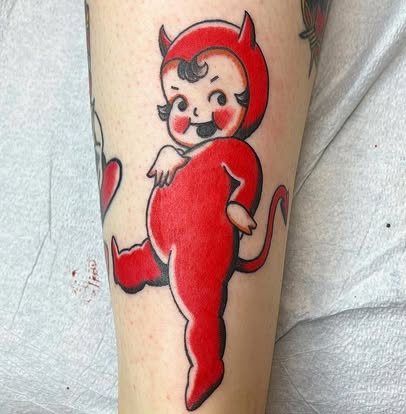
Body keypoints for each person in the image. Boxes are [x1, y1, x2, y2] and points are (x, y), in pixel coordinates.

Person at [85, 1, 330, 412]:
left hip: (202, 248)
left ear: (248, 101)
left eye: (217, 96)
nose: (198, 112)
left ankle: (208, 365)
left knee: (199, 306)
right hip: (168, 243)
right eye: (181, 104)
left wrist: (237, 206)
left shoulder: (231, 151)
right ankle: (130, 267)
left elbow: (248, 177)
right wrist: (168, 155)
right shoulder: (190, 152)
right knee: (151, 262)